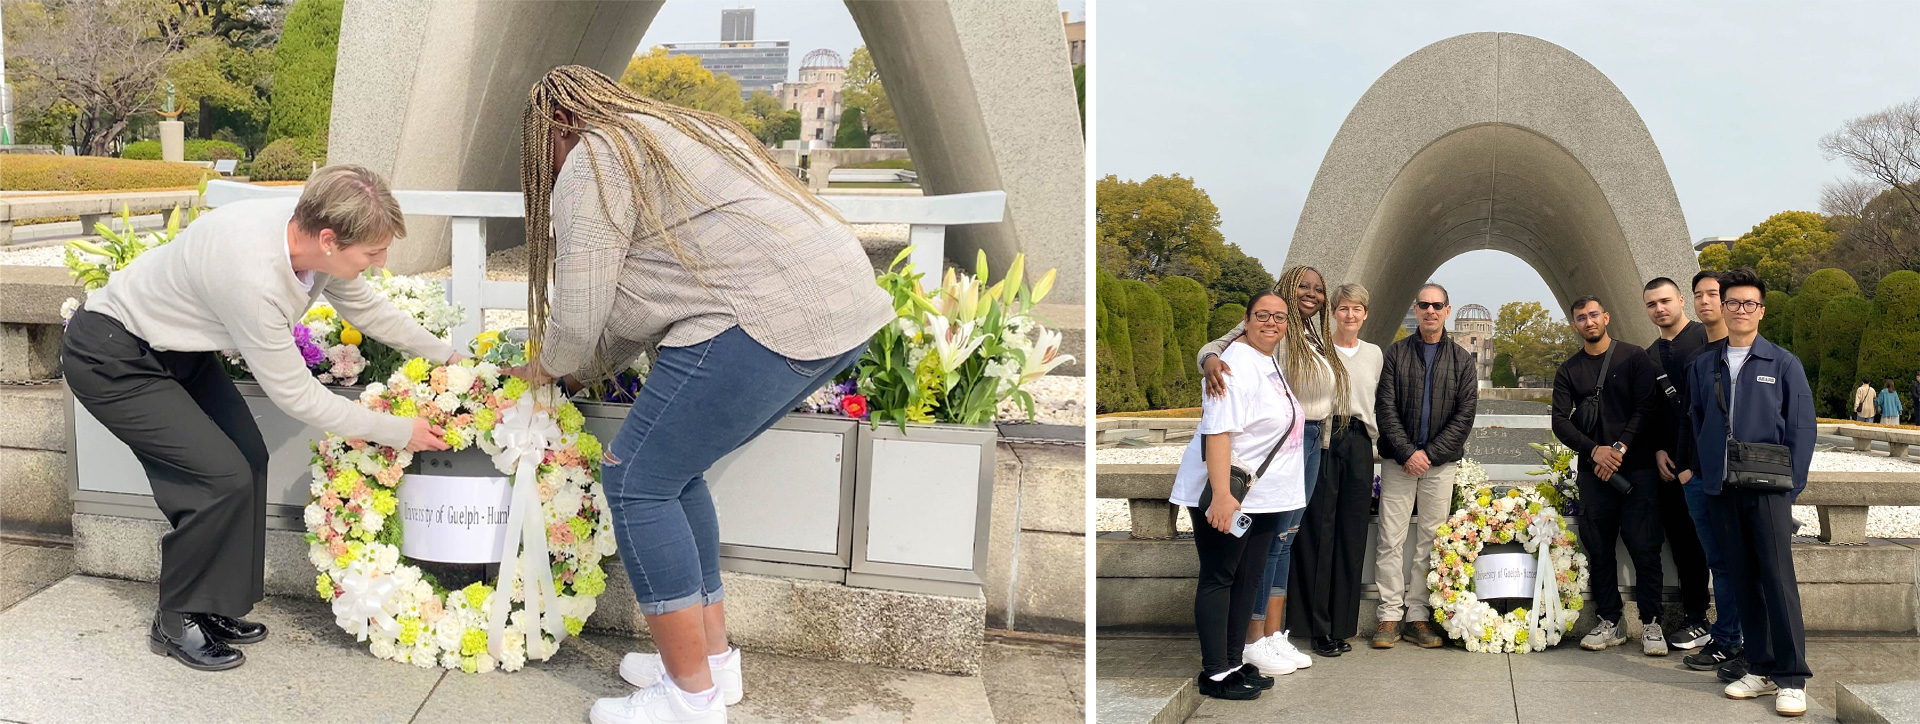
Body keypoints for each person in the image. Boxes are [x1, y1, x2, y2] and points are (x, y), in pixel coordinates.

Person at [512, 66, 893, 724]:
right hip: (837, 312)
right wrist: (580, 364)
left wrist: (551, 367)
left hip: (762, 319)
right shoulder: (677, 133)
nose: (544, 164)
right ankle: (711, 665)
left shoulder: (595, 156)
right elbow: (639, 299)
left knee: (636, 481)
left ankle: (689, 700)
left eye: (538, 148)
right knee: (675, 474)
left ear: (557, 127)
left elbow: (582, 311)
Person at [62, 165, 461, 672]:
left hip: (179, 350)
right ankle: (176, 617)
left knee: (248, 459)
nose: (381, 264)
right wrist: (401, 432)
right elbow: (299, 396)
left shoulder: (310, 243)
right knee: (217, 478)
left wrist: (447, 357)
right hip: (113, 356)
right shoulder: (251, 273)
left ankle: (214, 604)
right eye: (373, 253)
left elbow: (370, 310)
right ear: (330, 240)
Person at [1197, 266, 1344, 668]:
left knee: (1286, 539)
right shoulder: (1269, 327)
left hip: (1308, 438)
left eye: (1318, 288)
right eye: (1303, 286)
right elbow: (1217, 346)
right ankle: (1252, 638)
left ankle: (1272, 633)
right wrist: (1209, 360)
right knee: (1274, 541)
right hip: (1275, 448)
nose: (1311, 294)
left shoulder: (1312, 334)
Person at [1686, 268, 1814, 717]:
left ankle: (1792, 676)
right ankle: (1759, 667)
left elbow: (1801, 429)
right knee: (1741, 581)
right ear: (1722, 307)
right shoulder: (1704, 363)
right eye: (1733, 303)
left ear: (1761, 310)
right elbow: (1697, 420)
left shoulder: (1782, 363)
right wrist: (1701, 471)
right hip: (1722, 488)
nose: (1741, 310)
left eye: (1750, 304)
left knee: (1778, 580)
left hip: (1769, 490)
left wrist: (1790, 489)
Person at [1171, 292, 1307, 700]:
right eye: (1262, 315)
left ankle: (1233, 661)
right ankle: (1214, 672)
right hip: (1230, 494)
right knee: (1220, 577)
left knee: (1247, 580)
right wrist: (1220, 496)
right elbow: (1218, 432)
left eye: (1279, 317)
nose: (1272, 323)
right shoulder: (1230, 365)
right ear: (1246, 320)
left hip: (1264, 498)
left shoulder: (1268, 361)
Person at [1551, 296, 1666, 656]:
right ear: (1574, 325)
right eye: (1581, 318)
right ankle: (1610, 619)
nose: (1588, 321)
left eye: (1594, 315)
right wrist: (1594, 450)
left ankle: (1651, 623)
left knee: (1645, 547)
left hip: (1638, 468)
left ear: (1607, 317)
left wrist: (1618, 448)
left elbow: (1647, 407)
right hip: (1594, 472)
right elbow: (1559, 421)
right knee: (1598, 549)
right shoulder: (1569, 369)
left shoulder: (1633, 357)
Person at [1371, 282, 1478, 649]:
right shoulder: (1396, 354)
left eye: (1438, 305)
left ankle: (1417, 615)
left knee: (1430, 542)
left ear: (1448, 311)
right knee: (1391, 538)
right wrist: (1407, 453)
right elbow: (1384, 408)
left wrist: (1429, 454)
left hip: (1439, 464)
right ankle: (1388, 616)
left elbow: (1464, 416)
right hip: (1399, 462)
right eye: (1424, 305)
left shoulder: (1463, 361)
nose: (1431, 311)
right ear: (1415, 310)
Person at [1289, 282, 1383, 656]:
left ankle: (1342, 623)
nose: (1350, 315)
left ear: (1365, 314)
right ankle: (1317, 627)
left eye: (1357, 309)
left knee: (1352, 531)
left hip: (1359, 441)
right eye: (1343, 308)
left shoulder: (1375, 354)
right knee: (1320, 530)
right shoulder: (1318, 349)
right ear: (1333, 313)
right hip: (1324, 437)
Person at [1680, 270, 1749, 681]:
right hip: (1700, 479)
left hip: (1739, 478)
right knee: (1719, 562)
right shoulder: (1698, 359)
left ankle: (1740, 641)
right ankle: (1726, 638)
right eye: (1700, 295)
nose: (1707, 301)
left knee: (1742, 563)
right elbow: (1690, 419)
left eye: (1714, 294)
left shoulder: (1759, 356)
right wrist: (1687, 468)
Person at [1640, 278, 1715, 652]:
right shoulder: (1649, 353)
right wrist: (1657, 451)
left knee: (1712, 543)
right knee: (1683, 544)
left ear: (1681, 300)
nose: (1660, 309)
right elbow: (1650, 411)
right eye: (1652, 304)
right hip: (1668, 465)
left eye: (1665, 301)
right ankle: (1696, 617)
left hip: (1704, 462)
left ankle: (1725, 622)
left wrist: (1690, 461)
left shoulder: (1706, 339)